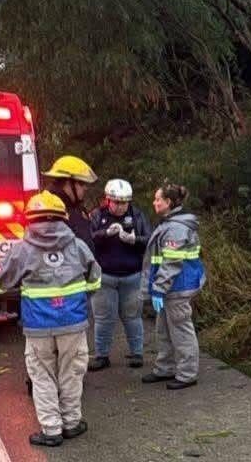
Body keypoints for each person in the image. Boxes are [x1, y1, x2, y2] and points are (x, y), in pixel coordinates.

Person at [0, 191, 101, 447]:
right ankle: (72, 423)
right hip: (73, 322)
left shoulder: (21, 250)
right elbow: (95, 279)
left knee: (43, 376)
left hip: (38, 326)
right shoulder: (78, 246)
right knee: (71, 373)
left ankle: (52, 431)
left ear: (28, 220)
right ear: (63, 218)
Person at [140, 183, 205, 390]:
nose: (154, 202)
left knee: (181, 331)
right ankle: (165, 368)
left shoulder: (175, 228)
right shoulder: (170, 224)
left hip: (177, 287)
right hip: (170, 288)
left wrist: (159, 288)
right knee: (164, 329)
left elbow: (171, 263)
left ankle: (187, 374)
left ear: (168, 203)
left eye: (158, 199)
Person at [88, 179, 152, 371]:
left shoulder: (137, 215)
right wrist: (105, 234)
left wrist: (134, 240)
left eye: (124, 202)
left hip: (132, 275)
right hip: (105, 276)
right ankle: (101, 355)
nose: (120, 206)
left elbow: (149, 239)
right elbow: (87, 240)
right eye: (116, 202)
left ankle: (137, 353)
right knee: (103, 318)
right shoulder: (97, 216)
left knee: (133, 316)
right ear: (108, 200)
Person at [41, 155, 98, 250]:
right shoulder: (52, 211)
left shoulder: (73, 206)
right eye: (81, 183)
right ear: (68, 183)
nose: (85, 188)